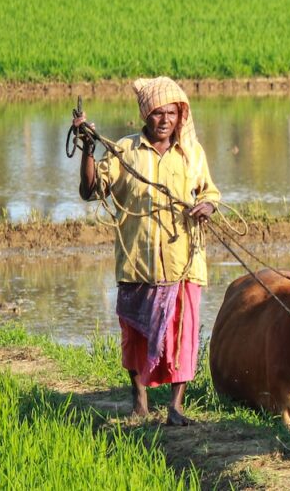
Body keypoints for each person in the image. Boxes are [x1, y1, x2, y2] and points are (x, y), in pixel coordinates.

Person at [74, 77, 220, 425]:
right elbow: (91, 190)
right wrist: (88, 148)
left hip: (184, 262)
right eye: (158, 113)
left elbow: (210, 192)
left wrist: (207, 206)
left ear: (180, 116)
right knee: (136, 335)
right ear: (145, 115)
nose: (165, 120)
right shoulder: (124, 151)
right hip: (137, 263)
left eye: (171, 113)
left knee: (182, 334)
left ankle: (176, 407)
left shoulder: (191, 154)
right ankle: (139, 401)